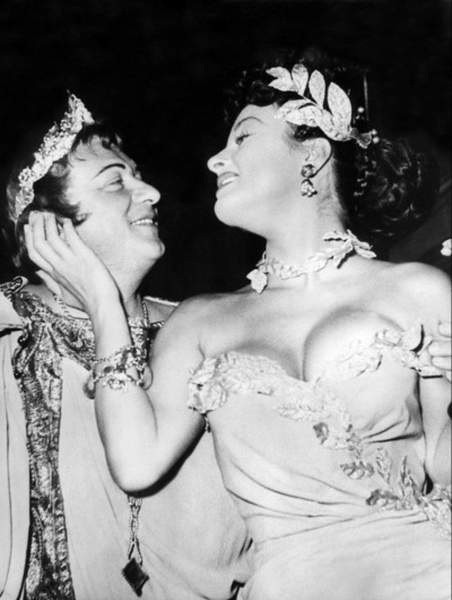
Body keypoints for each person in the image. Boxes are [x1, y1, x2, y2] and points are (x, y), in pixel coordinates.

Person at [24, 52, 451, 600]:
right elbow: (135, 464)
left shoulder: (418, 291)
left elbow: (443, 466)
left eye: (243, 137)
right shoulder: (200, 321)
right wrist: (104, 303)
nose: (215, 160)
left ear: (313, 155)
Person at [0, 95, 251, 600]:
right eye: (116, 182)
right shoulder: (11, 331)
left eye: (138, 176)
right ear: (47, 226)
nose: (152, 192)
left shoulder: (204, 330)